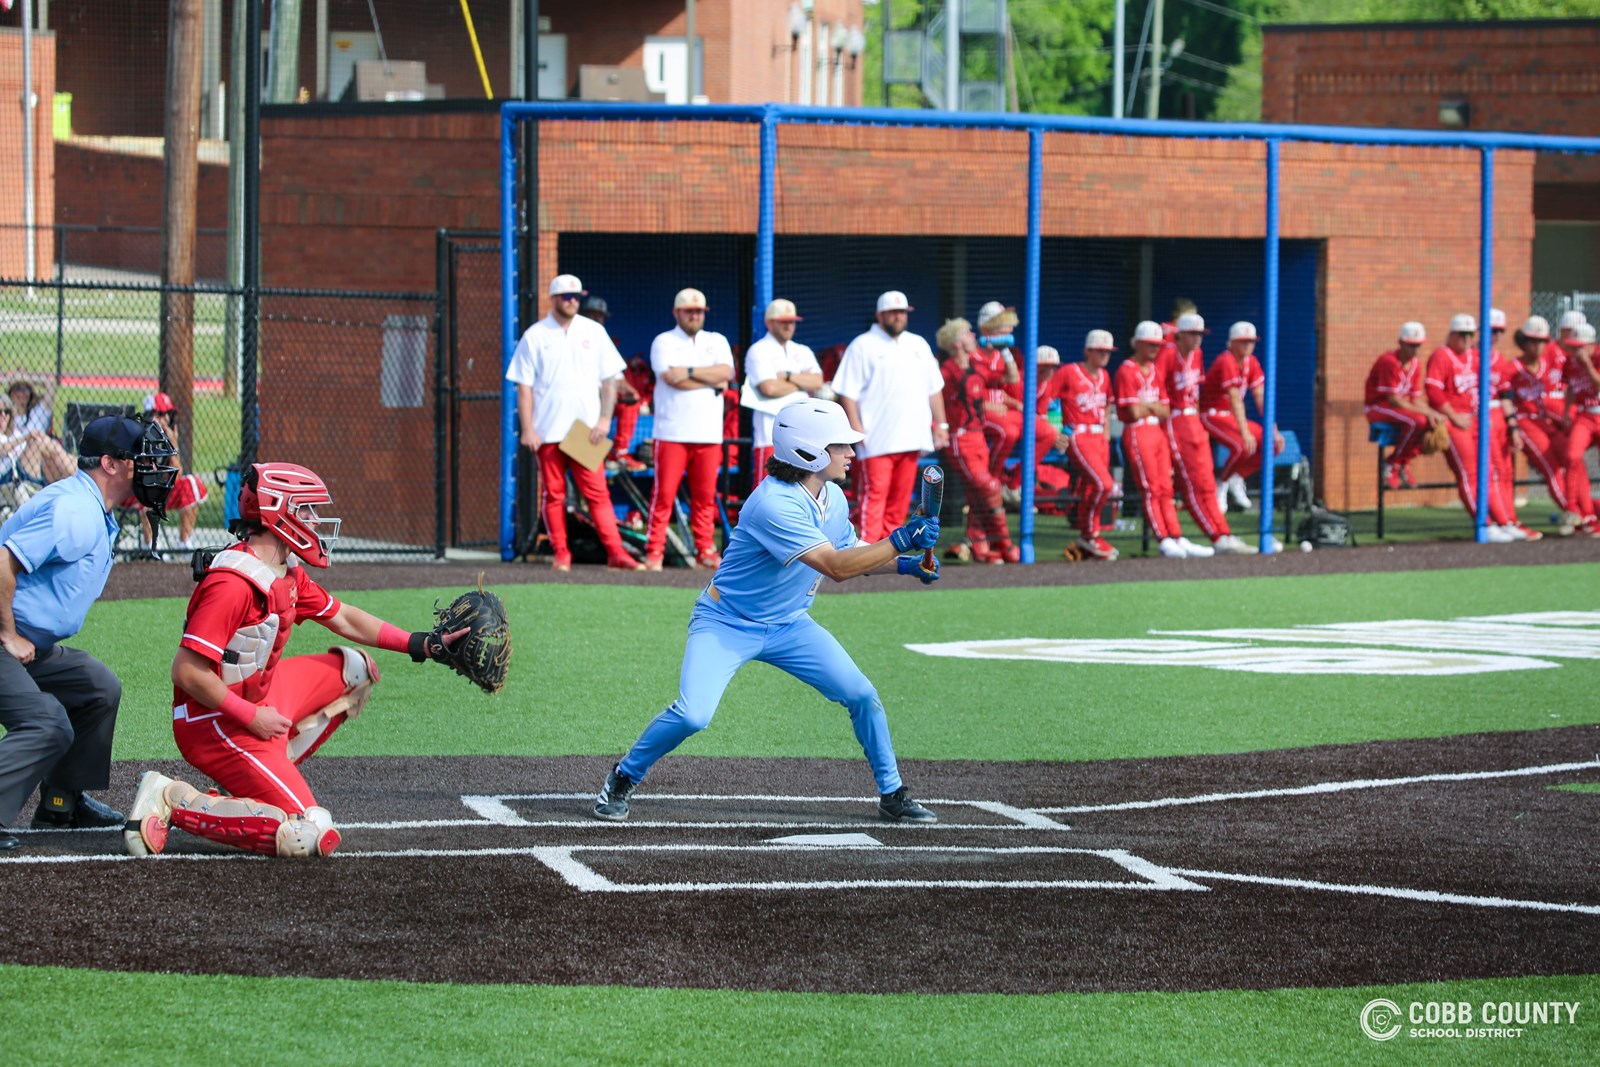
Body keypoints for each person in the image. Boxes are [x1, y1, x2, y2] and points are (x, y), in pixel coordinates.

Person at [591, 400, 942, 825]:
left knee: (862, 695)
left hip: (789, 625)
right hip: (727, 622)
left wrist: (904, 564)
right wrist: (902, 539)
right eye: (840, 446)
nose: (851, 454)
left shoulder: (831, 496)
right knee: (693, 714)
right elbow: (836, 569)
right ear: (809, 452)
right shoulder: (773, 504)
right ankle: (624, 775)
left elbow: (852, 553)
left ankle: (893, 794)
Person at [122, 462, 475, 859]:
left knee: (354, 671)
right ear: (277, 510)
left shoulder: (285, 572)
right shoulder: (232, 583)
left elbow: (342, 617)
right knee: (307, 833)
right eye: (305, 510)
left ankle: (256, 781)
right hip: (212, 723)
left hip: (256, 702)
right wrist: (251, 717)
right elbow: (186, 671)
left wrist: (422, 644)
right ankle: (172, 798)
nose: (314, 520)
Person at [0, 414, 177, 853]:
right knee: (48, 722)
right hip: (3, 634)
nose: (152, 471)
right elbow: (3, 564)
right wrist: (8, 634)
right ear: (110, 464)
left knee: (97, 686)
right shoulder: (75, 510)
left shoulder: (93, 508)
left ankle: (62, 801)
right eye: (141, 460)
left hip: (24, 640)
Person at [508, 274, 644, 572]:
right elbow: (524, 388)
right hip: (547, 429)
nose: (572, 301)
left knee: (597, 493)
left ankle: (616, 553)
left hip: (585, 430)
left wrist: (605, 420)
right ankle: (561, 554)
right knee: (553, 494)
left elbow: (611, 381)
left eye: (576, 297)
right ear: (554, 298)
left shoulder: (593, 331)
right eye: (566, 296)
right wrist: (528, 428)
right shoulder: (535, 334)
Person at [833, 291, 949, 542]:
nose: (898, 317)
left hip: (912, 437)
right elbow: (847, 392)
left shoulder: (918, 343)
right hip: (876, 439)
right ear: (880, 315)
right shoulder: (862, 344)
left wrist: (941, 424)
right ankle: (864, 552)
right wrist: (856, 428)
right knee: (874, 497)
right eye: (893, 312)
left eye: (902, 312)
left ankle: (888, 553)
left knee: (900, 500)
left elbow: (934, 389)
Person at [646, 287, 735, 570]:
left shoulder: (716, 340)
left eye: (698, 312)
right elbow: (671, 378)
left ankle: (705, 550)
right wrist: (709, 378)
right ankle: (654, 552)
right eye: (689, 311)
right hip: (672, 432)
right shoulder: (663, 341)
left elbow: (726, 373)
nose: (694, 316)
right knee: (663, 495)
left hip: (708, 433)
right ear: (677, 313)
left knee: (705, 497)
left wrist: (690, 371)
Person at [1425, 313, 1521, 541]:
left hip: (1475, 420)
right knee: (1469, 474)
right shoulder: (1442, 355)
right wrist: (1452, 416)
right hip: (1455, 421)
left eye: (1471, 335)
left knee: (1489, 472)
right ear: (1452, 334)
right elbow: (1434, 391)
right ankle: (1483, 525)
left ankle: (1503, 521)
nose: (1467, 339)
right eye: (1462, 335)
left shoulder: (1474, 356)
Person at [1115, 322, 1206, 559]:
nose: (1154, 349)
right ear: (1137, 344)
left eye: (1157, 345)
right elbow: (1133, 412)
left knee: (1166, 487)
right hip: (1137, 431)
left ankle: (1176, 536)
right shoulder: (1126, 369)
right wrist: (1152, 407)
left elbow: (1166, 409)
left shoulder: (1155, 370)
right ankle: (1163, 539)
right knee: (1151, 488)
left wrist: (1149, 407)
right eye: (1149, 345)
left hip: (1156, 432)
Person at [1161, 313, 1250, 554]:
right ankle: (1215, 535)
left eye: (1200, 335)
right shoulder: (1168, 354)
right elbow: (1158, 390)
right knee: (1192, 484)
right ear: (1181, 335)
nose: (1198, 339)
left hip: (1194, 420)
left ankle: (1224, 533)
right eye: (1193, 334)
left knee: (1207, 481)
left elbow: (1196, 392)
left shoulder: (1198, 355)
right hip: (1175, 420)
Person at [938, 317, 1020, 563]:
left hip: (978, 438)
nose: (974, 336)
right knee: (989, 486)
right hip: (960, 439)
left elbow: (1012, 378)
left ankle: (980, 546)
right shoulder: (946, 371)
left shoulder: (976, 366)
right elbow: (937, 401)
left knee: (977, 494)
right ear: (956, 343)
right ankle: (1004, 543)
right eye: (968, 333)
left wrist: (1005, 351)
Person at [1199, 321, 1284, 514]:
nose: (1248, 345)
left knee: (1274, 444)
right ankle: (1221, 485)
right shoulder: (1226, 360)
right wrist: (1245, 432)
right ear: (1232, 343)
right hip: (1210, 413)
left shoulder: (1251, 362)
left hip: (1230, 416)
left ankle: (1236, 477)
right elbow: (1235, 398)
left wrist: (1274, 430)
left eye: (1251, 342)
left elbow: (1261, 397)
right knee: (1242, 445)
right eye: (1243, 341)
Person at [1052, 331, 1119, 561]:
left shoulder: (1105, 376)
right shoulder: (1069, 372)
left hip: (1099, 436)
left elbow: (1108, 403)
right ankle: (1090, 534)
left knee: (1093, 487)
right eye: (1099, 351)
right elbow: (1046, 399)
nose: (1104, 355)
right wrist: (1054, 431)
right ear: (1087, 351)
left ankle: (1090, 535)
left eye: (1107, 352)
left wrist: (1107, 433)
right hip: (1078, 434)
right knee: (1104, 484)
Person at [744, 299, 823, 487]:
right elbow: (769, 388)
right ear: (769, 322)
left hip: (803, 436)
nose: (789, 325)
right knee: (769, 491)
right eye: (783, 321)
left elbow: (817, 381)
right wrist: (801, 382)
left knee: (801, 490)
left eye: (792, 321)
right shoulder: (758, 350)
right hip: (769, 435)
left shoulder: (802, 350)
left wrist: (787, 376)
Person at [1507, 316, 1575, 530]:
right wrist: (1513, 428)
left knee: (1572, 461)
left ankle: (1586, 511)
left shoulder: (1547, 365)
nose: (1537, 346)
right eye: (1533, 341)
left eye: (1542, 341)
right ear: (1524, 342)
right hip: (1525, 422)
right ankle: (1573, 512)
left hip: (1546, 421)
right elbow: (1505, 400)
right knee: (1551, 467)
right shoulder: (1513, 368)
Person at [1364, 321, 1443, 489]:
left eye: (1418, 346)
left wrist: (1433, 414)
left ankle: (1403, 463)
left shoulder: (1416, 364)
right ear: (1400, 343)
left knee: (1436, 424)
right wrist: (1426, 414)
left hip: (1396, 408)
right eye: (1410, 345)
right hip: (1378, 406)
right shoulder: (1389, 361)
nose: (1414, 350)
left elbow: (1415, 399)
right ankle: (1393, 464)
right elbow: (1393, 399)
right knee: (1417, 421)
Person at [128, 392, 209, 552]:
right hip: (134, 492)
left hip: (161, 491)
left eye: (167, 414)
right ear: (149, 415)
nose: (165, 419)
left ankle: (183, 544)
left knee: (191, 483)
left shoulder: (169, 438)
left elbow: (177, 476)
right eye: (160, 414)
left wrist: (173, 447)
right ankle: (149, 547)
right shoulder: (138, 436)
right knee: (147, 487)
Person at [972, 301, 1026, 483]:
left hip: (1002, 410)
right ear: (986, 328)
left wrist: (1005, 351)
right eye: (1002, 325)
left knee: (1043, 431)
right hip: (979, 411)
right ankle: (991, 479)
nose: (1008, 330)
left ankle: (1015, 483)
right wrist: (987, 405)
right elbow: (963, 392)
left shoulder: (1002, 354)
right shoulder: (972, 354)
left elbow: (1012, 379)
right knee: (1008, 433)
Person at [1560, 322, 1600, 536]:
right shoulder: (1570, 361)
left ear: (1591, 345)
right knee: (1572, 456)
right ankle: (1572, 509)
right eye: (1573, 347)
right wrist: (1567, 411)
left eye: (1579, 347)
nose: (1575, 351)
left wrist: (1587, 365)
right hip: (1585, 415)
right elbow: (1571, 387)